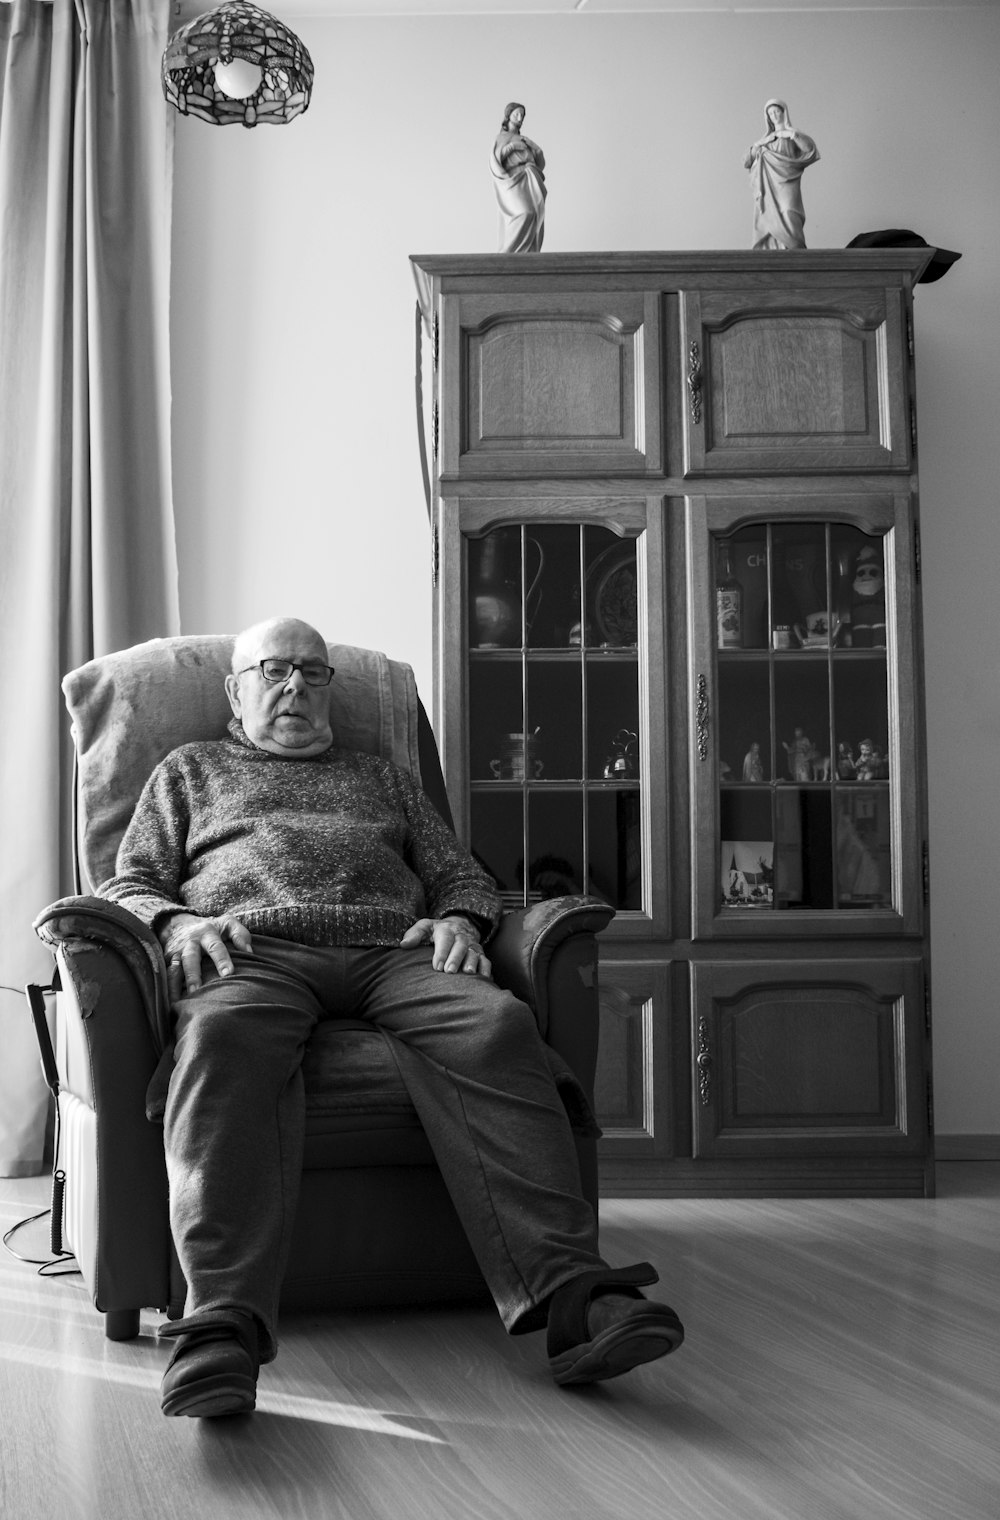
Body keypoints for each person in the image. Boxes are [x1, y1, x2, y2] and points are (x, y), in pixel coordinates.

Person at [98, 617, 684, 1418]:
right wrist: (177, 924)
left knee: (498, 1026)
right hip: (254, 951)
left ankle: (577, 1296)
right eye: (273, 670)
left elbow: (460, 875)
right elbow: (129, 880)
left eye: (312, 672)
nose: (295, 685)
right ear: (235, 690)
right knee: (221, 1037)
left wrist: (459, 922)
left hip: (394, 950)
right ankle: (222, 1324)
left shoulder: (384, 777)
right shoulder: (189, 771)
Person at [743, 99, 820, 250]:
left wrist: (791, 134)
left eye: (777, 111)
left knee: (788, 211)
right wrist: (758, 145)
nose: (774, 115)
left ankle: (793, 250)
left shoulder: (792, 135)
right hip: (767, 187)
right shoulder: (766, 140)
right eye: (770, 113)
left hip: (787, 182)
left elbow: (809, 149)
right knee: (768, 218)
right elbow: (746, 161)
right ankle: (771, 249)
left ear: (784, 113)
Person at [491, 101, 546, 253]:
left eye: (522, 114)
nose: (520, 117)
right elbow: (495, 160)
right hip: (512, 180)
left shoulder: (525, 139)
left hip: (528, 179)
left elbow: (539, 161)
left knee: (534, 214)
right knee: (524, 213)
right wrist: (512, 147)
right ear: (508, 116)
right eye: (517, 113)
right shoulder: (501, 138)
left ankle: (527, 255)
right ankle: (508, 254)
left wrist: (533, 149)